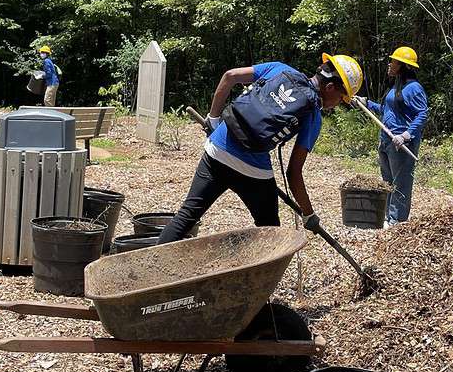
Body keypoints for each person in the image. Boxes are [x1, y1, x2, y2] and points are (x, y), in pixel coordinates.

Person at [157, 53, 363, 243]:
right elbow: (293, 173)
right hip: (253, 172)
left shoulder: (280, 69)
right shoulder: (313, 116)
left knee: (187, 216)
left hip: (216, 151)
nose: (338, 104)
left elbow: (230, 76)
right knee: (270, 232)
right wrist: (308, 214)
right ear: (330, 88)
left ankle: (150, 270)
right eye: (342, 99)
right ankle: (260, 278)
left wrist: (213, 119)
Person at [360, 46, 428, 226]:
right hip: (386, 139)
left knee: (401, 182)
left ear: (403, 65)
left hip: (401, 143)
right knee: (388, 181)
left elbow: (422, 114)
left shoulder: (414, 88)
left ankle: (397, 221)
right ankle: (388, 216)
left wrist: (406, 135)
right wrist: (366, 102)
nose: (390, 64)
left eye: (393, 61)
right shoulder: (397, 86)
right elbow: (386, 111)